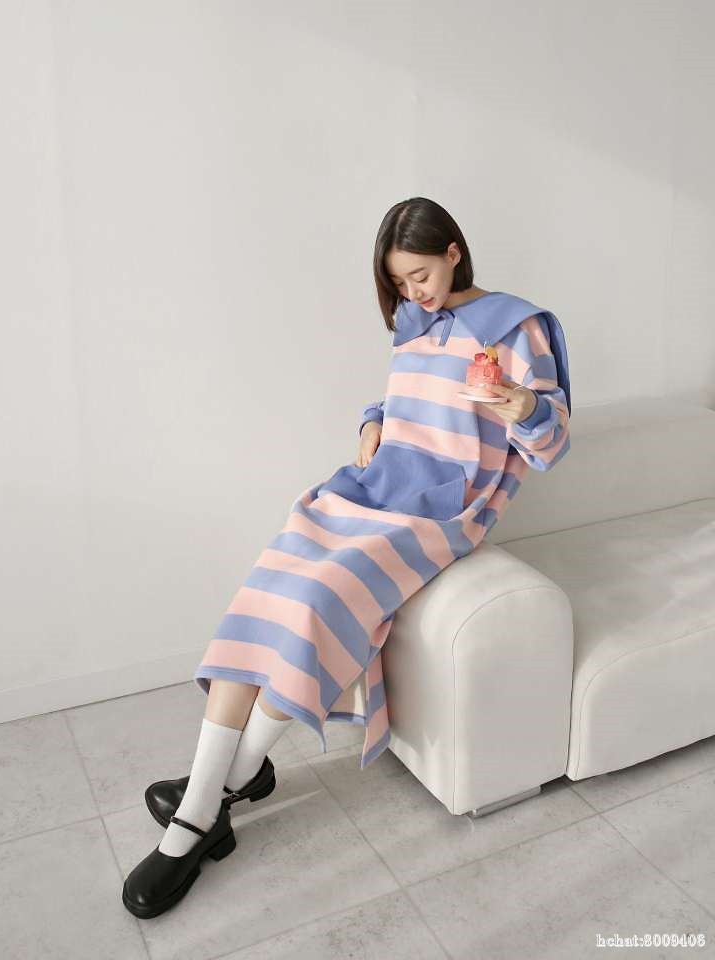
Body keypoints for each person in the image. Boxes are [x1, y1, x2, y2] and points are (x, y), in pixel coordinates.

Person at [122, 196, 572, 918]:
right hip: (374, 486)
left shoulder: (517, 326)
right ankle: (217, 795)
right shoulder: (414, 324)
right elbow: (407, 400)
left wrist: (524, 407)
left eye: (421, 275)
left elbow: (550, 446)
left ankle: (201, 812)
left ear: (454, 252)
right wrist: (372, 422)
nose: (414, 293)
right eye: (399, 283)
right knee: (270, 586)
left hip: (441, 509)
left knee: (317, 601)